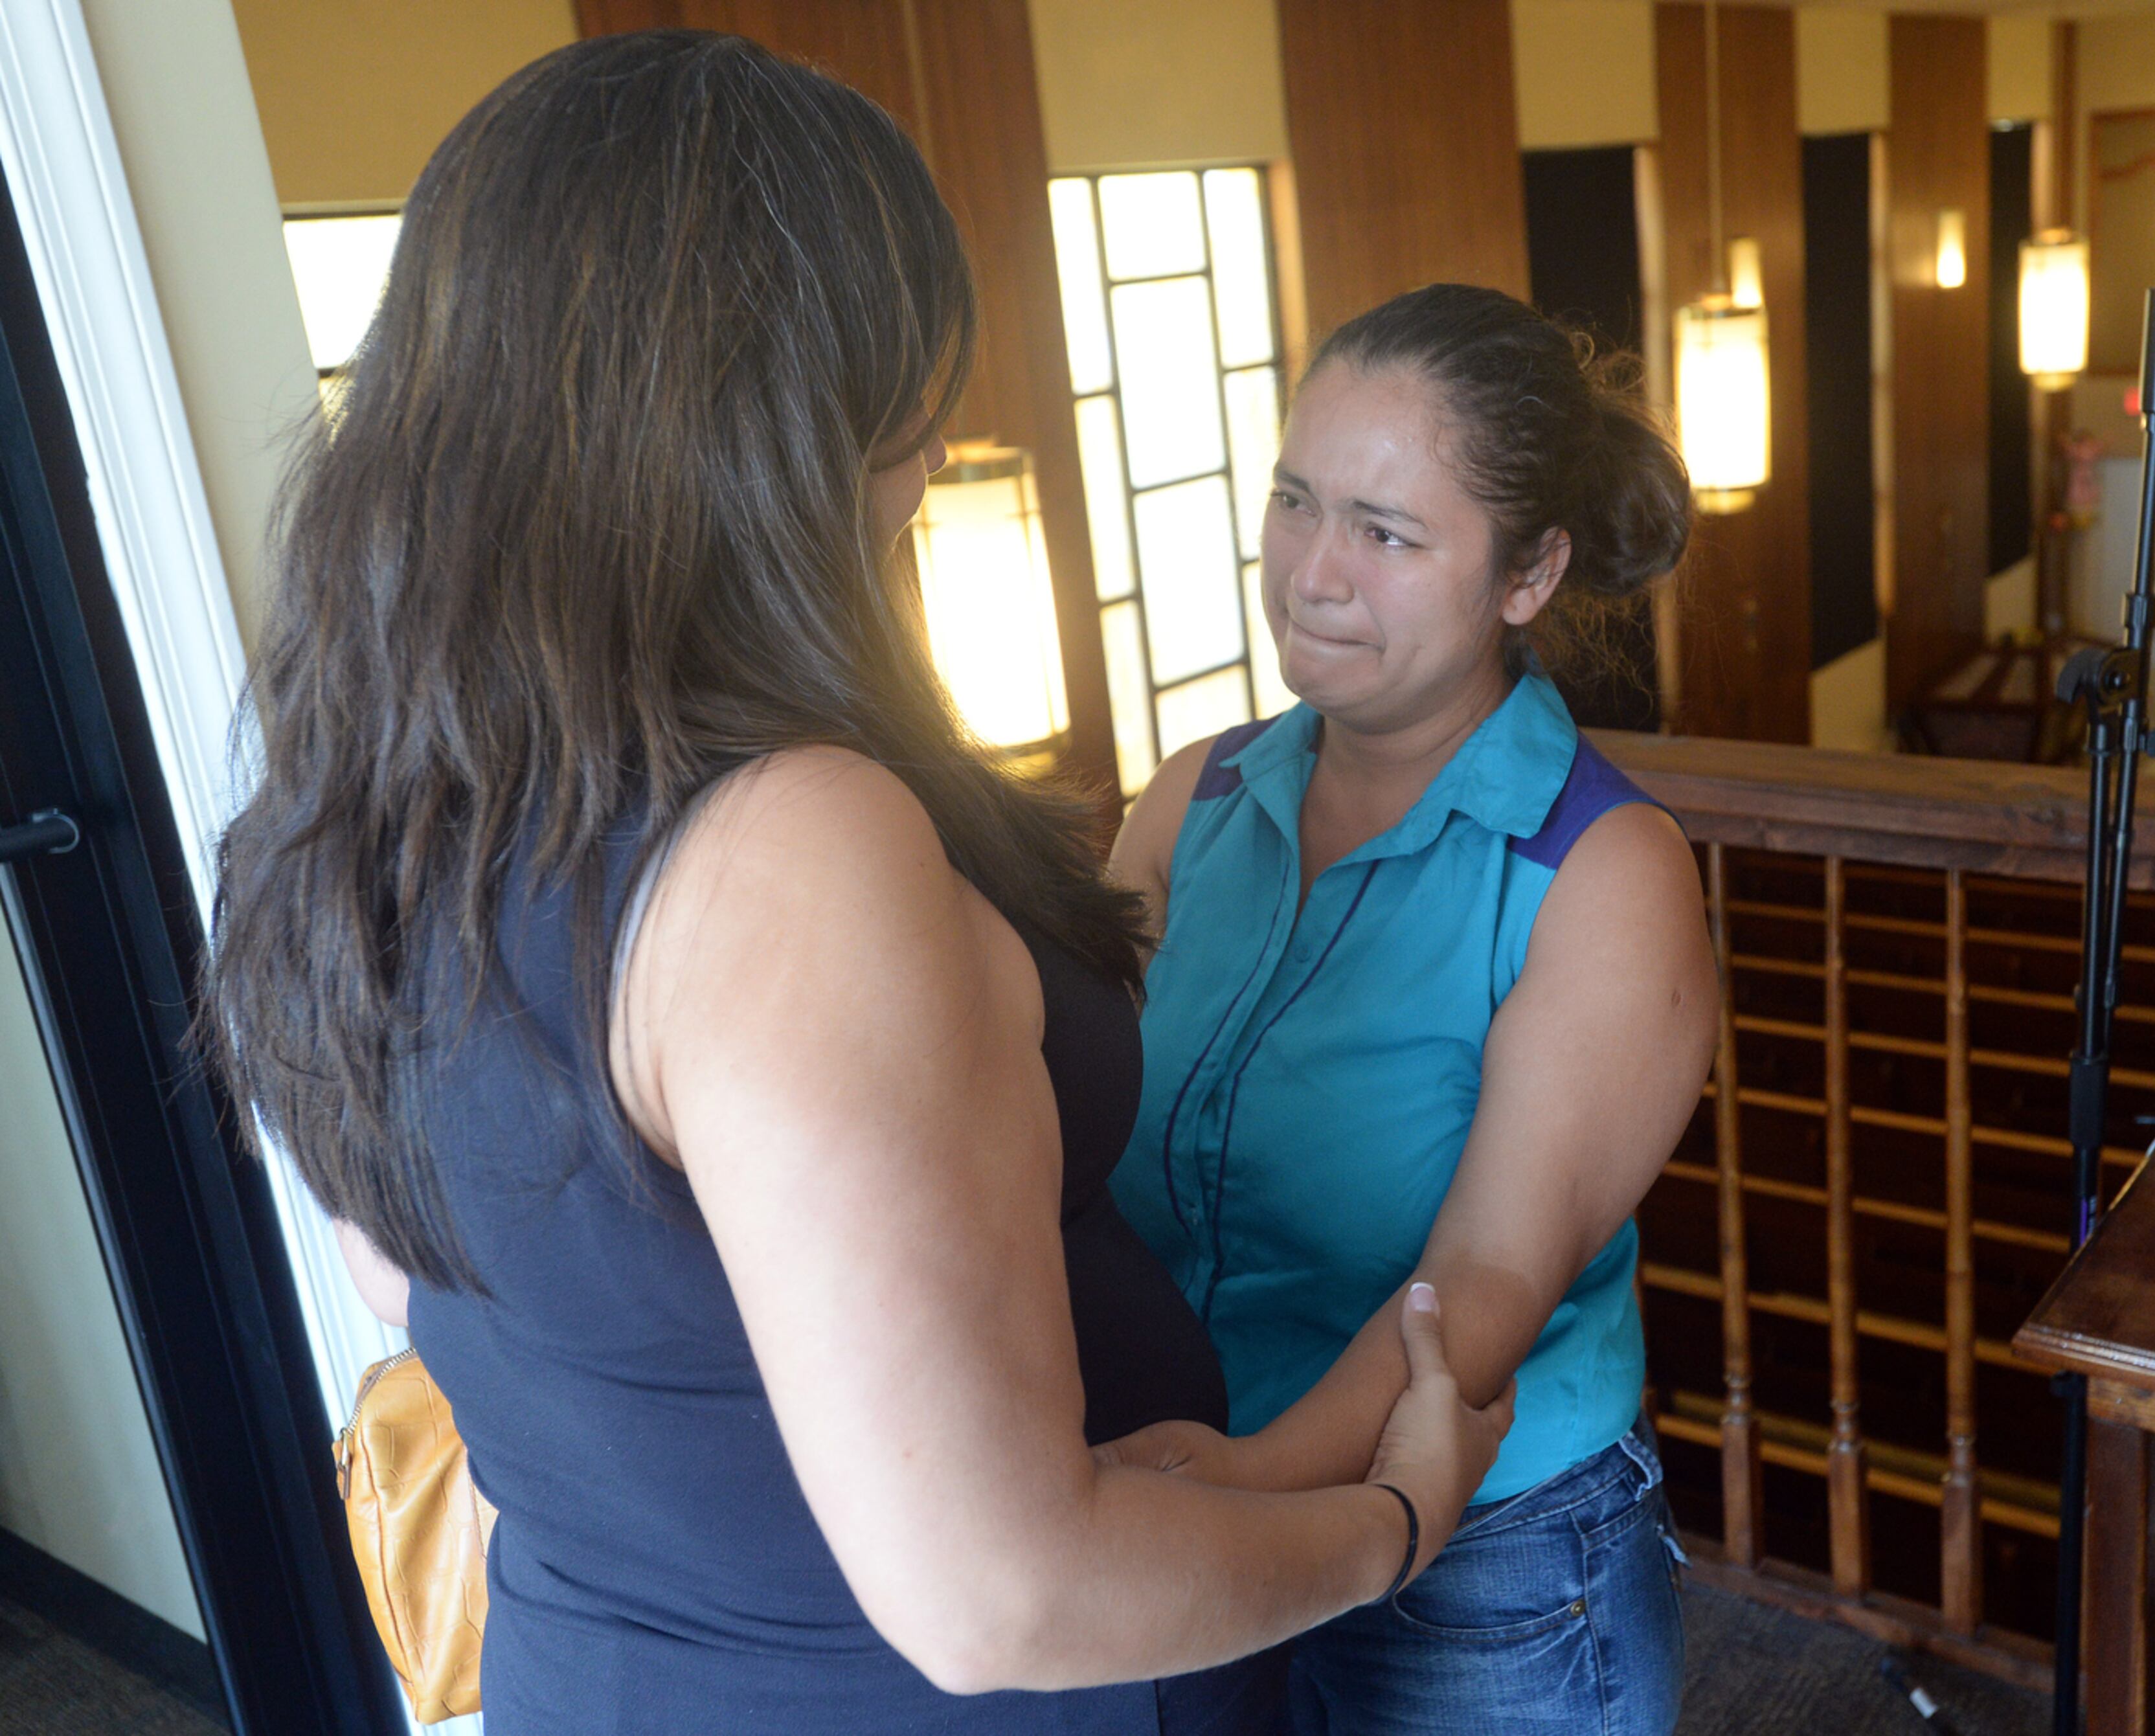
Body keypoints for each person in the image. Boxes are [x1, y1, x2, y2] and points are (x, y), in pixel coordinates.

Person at [202, 34, 1511, 1736]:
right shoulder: (789, 839)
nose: (923, 456)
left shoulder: (369, 795)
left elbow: (414, 1270)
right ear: (789, 418)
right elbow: (997, 1596)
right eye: (905, 393)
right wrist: (1388, 1526)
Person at [1100, 284, 1720, 1733]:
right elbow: (1066, 1121)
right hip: (1181, 1501)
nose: (1314, 574)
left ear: (1529, 573)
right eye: (1294, 504)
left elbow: (1488, 1282)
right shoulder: (1192, 795)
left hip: (1480, 1558)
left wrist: (1240, 1489)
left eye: (1384, 534)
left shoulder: (1601, 872)